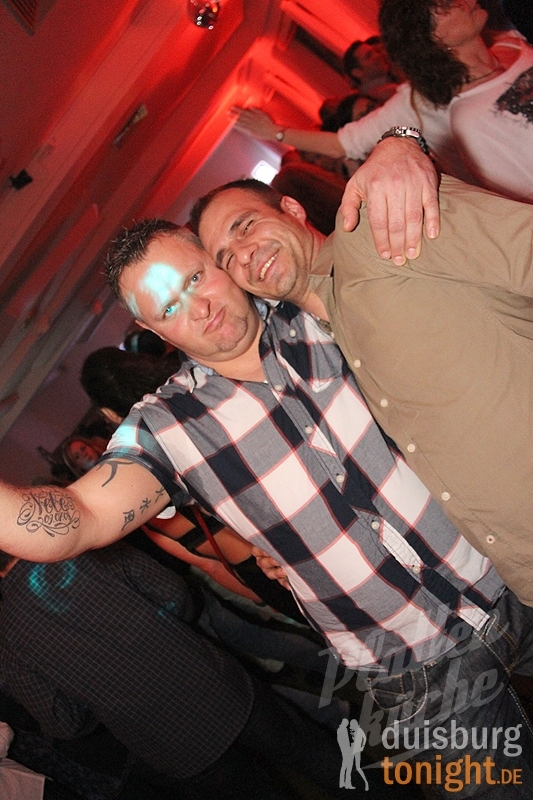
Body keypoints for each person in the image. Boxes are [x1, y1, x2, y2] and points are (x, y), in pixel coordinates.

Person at [192, 173, 533, 607]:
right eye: (225, 260)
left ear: (292, 209)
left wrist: (401, 145)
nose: (243, 255)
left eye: (246, 226)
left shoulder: (386, 223)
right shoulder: (318, 353)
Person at [0, 544, 365, 800]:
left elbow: (64, 723)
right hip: (219, 689)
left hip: (169, 743)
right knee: (315, 757)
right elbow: (176, 595)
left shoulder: (8, 638)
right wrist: (166, 639)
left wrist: (101, 696)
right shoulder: (88, 553)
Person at [231, 0, 533, 204]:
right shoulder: (420, 101)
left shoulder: (506, 41)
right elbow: (344, 144)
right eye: (443, 6)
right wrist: (275, 132)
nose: (463, 2)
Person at [342, 36, 400, 102]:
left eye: (376, 51)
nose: (378, 55)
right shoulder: (371, 99)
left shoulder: (393, 79)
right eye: (369, 56)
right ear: (357, 73)